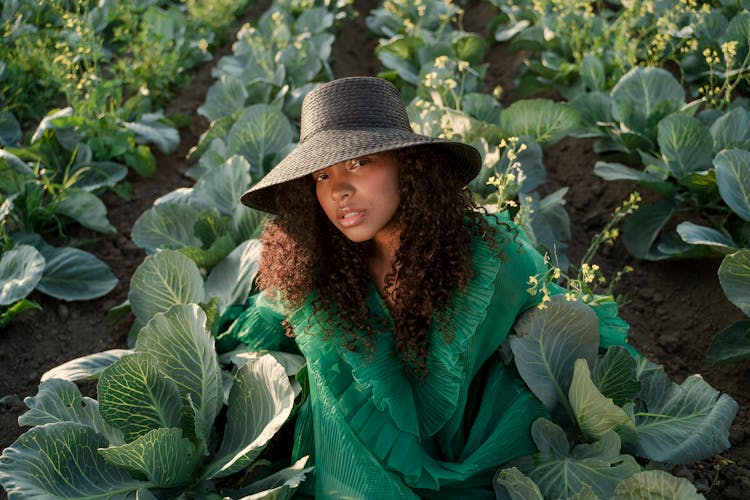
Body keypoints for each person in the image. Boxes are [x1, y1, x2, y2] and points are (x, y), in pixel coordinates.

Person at [216, 76, 629, 498]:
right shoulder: (319, 270)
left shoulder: (492, 255)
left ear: (407, 166)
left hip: (484, 450)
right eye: (321, 175)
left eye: (358, 163)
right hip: (355, 470)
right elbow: (262, 317)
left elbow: (564, 322)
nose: (339, 190)